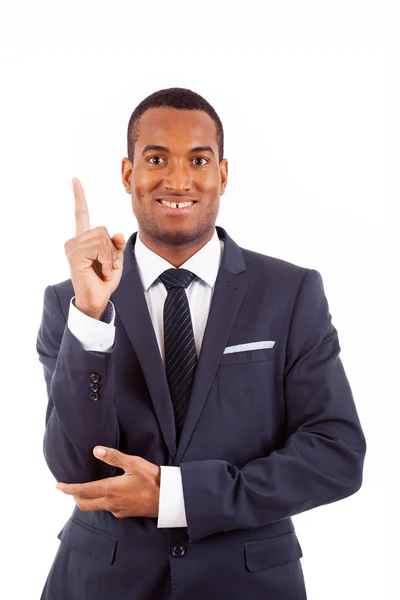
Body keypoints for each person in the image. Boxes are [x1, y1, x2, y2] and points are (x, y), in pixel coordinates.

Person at [36, 87, 367, 600]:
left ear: (223, 174)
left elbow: (335, 454)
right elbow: (76, 469)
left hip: (249, 584)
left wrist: (178, 496)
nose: (178, 179)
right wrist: (93, 316)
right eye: (155, 158)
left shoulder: (291, 292)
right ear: (129, 175)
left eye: (198, 159)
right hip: (103, 583)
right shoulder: (72, 304)